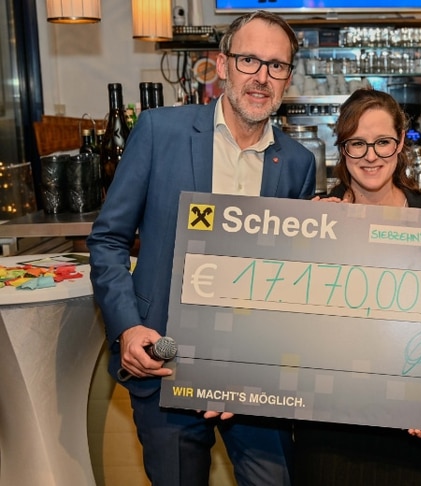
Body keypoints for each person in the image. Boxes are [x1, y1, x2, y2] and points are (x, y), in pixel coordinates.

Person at [87, 11, 316, 486]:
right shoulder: (158, 132)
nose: (261, 76)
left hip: (255, 375)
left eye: (276, 65)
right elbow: (108, 239)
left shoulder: (297, 163)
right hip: (165, 359)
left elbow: (292, 280)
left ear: (288, 78)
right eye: (249, 60)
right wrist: (127, 328)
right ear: (223, 64)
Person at [293, 88, 421, 486]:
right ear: (342, 148)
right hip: (331, 426)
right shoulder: (315, 219)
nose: (370, 155)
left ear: (400, 145)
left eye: (382, 142)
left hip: (412, 426)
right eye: (357, 143)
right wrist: (303, 239)